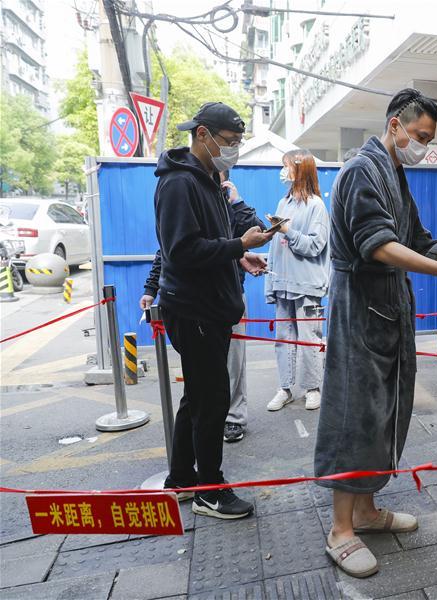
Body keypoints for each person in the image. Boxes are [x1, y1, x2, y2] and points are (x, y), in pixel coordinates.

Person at [314, 88, 437, 578]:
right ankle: (340, 529)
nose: (424, 145)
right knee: (355, 412)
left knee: (384, 410)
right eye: (421, 136)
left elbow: (419, 238)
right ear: (395, 125)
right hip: (360, 310)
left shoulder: (393, 171)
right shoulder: (360, 170)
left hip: (388, 309)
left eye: (429, 139)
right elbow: (381, 245)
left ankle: (366, 512)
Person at [154, 102, 274, 519]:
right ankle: (209, 489)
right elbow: (181, 251)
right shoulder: (178, 184)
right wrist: (240, 246)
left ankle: (182, 480)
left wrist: (238, 258)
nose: (234, 150)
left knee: (198, 396)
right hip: (195, 309)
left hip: (209, 307)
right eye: (230, 141)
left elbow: (211, 241)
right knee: (212, 399)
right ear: (202, 134)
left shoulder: (208, 180)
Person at [142, 172, 266, 444]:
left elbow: (256, 231)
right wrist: (151, 288)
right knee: (202, 385)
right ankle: (198, 463)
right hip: (198, 306)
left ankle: (233, 419)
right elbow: (170, 250)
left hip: (229, 297)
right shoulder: (187, 197)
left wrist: (238, 202)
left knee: (233, 364)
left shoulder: (228, 204)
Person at [265, 149, 329, 412]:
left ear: (301, 169)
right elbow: (275, 247)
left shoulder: (316, 205)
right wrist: (270, 280)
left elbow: (315, 245)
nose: (283, 171)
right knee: (284, 339)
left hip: (307, 286)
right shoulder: (284, 202)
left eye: (286, 166)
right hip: (282, 284)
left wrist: (288, 231)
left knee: (309, 339)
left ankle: (312, 388)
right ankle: (286, 388)